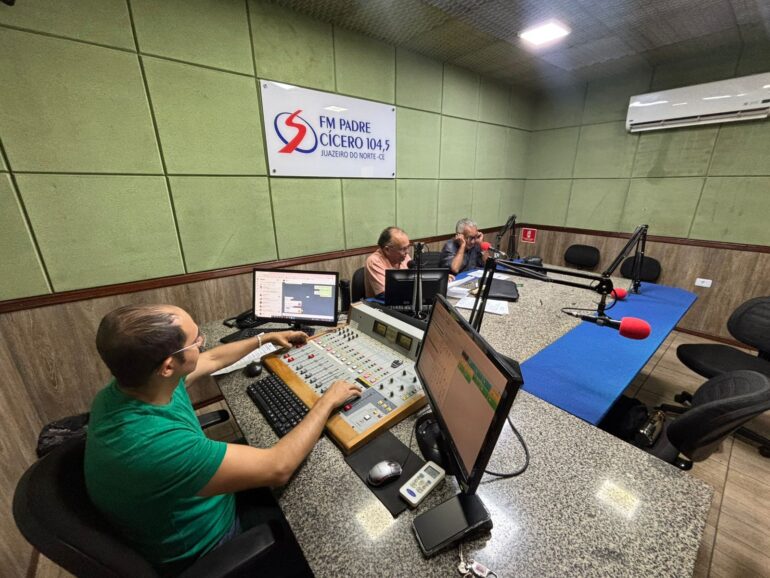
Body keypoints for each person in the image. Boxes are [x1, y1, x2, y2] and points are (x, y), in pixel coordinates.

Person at [83, 304, 361, 574]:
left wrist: (264, 338)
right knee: (322, 518)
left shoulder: (134, 386)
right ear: (168, 366)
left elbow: (213, 359)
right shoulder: (157, 445)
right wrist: (326, 402)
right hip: (211, 544)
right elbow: (279, 467)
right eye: (196, 341)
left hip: (196, 499)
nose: (202, 343)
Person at [364, 226, 412, 298]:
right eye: (403, 249)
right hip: (382, 303)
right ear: (387, 250)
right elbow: (385, 295)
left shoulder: (404, 256)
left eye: (408, 247)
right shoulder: (374, 261)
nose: (407, 252)